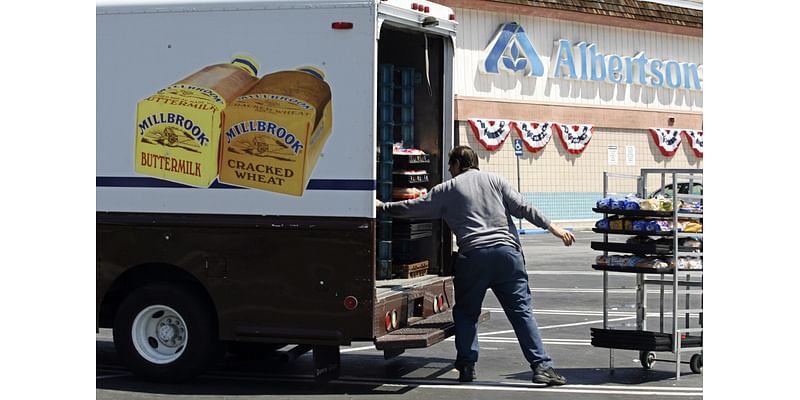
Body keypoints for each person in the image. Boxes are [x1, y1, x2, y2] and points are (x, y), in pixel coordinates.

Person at [376, 145, 575, 385]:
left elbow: (414, 207)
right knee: (522, 313)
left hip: (474, 257)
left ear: (459, 164)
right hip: (507, 256)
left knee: (467, 313)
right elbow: (523, 207)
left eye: (451, 166)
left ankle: (467, 365)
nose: (450, 171)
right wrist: (553, 227)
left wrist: (382, 207)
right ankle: (542, 366)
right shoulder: (496, 180)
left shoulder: (447, 189)